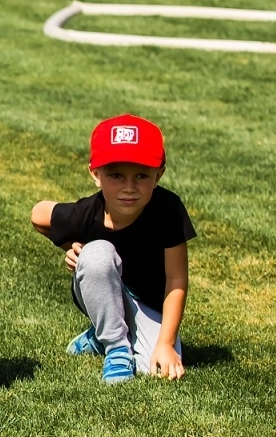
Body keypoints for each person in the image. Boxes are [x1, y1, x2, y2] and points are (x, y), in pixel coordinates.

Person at [29, 114, 194, 384]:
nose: (129, 187)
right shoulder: (89, 212)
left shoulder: (168, 210)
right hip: (100, 291)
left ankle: (99, 336)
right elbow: (39, 214)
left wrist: (165, 344)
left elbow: (176, 280)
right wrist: (75, 249)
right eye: (116, 175)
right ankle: (115, 346)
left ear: (158, 175)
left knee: (154, 368)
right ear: (96, 174)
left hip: (148, 303)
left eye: (141, 175)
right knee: (97, 254)